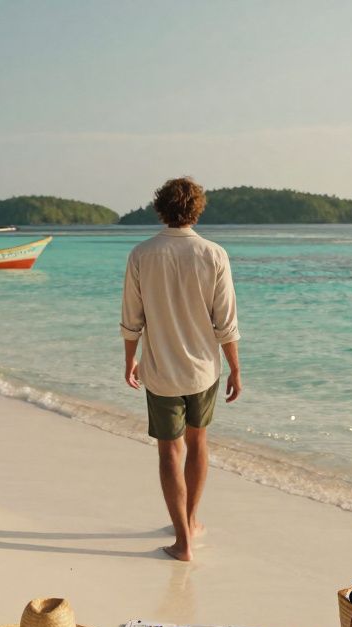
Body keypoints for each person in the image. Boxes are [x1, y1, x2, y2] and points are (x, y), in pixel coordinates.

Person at [120, 176, 241, 562]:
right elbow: (226, 322)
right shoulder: (214, 254)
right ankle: (190, 521)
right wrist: (236, 368)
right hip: (204, 370)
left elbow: (131, 317)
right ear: (196, 209)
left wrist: (129, 358)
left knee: (169, 451)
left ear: (161, 208)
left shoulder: (142, 254)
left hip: (161, 372)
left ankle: (182, 541)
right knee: (198, 443)